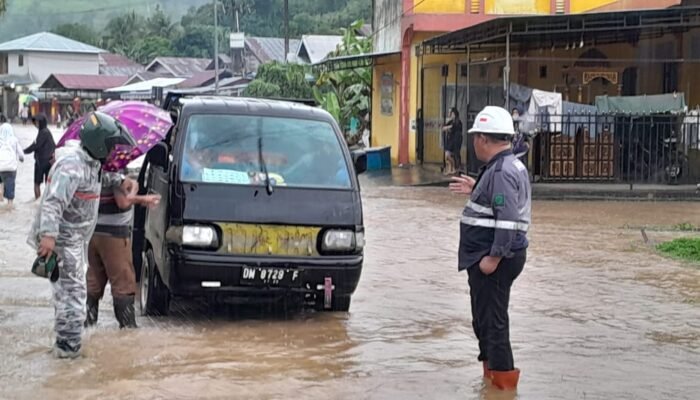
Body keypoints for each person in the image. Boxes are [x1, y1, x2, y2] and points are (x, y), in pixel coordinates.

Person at [27, 111, 136, 359]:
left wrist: (119, 179)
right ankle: (68, 353)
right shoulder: (72, 166)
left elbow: (96, 177)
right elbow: (53, 202)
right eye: (109, 146)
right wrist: (49, 236)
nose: (111, 152)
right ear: (99, 143)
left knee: (70, 294)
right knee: (74, 297)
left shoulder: (89, 162)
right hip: (62, 241)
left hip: (74, 240)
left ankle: (65, 345)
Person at [449, 106, 531, 391]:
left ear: (483, 139)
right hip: (490, 257)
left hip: (494, 259)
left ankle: (504, 388)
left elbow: (507, 221)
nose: (473, 143)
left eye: (475, 138)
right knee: (484, 321)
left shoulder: (501, 172)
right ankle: (490, 383)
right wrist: (478, 188)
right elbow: (500, 206)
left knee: (493, 324)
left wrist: (493, 258)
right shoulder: (505, 167)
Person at [85, 171, 160, 329]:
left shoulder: (94, 169)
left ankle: (87, 326)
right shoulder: (113, 171)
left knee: (93, 282)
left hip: (92, 232)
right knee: (123, 284)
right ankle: (128, 329)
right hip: (115, 235)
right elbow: (123, 202)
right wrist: (138, 193)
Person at [24, 114, 56, 200]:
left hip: (41, 162)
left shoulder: (43, 132)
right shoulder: (46, 132)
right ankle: (45, 201)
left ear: (41, 122)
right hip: (48, 161)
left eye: (37, 123)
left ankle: (37, 201)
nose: (35, 125)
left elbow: (35, 146)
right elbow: (53, 146)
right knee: (48, 183)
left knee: (36, 183)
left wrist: (24, 151)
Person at [0, 114, 24, 209]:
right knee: (10, 185)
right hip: (11, 167)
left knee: (2, 179)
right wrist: (21, 159)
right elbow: (21, 154)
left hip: (1, 166)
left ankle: (1, 191)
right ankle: (9, 204)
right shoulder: (14, 140)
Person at [442, 107, 463, 175]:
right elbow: (444, 128)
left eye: (450, 113)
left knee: (454, 154)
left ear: (454, 113)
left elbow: (454, 127)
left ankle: (455, 168)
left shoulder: (458, 121)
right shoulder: (450, 121)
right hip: (450, 140)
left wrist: (449, 128)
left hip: (456, 140)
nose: (449, 114)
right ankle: (451, 168)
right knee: (447, 155)